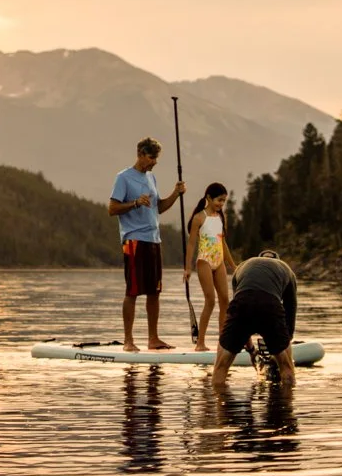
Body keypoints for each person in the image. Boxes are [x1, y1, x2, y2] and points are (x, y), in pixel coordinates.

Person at [108, 136, 186, 352]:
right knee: (133, 290)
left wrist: (176, 194)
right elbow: (112, 209)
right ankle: (128, 341)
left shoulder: (152, 178)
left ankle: (153, 339)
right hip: (134, 240)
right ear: (141, 154)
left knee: (154, 291)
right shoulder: (123, 178)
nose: (154, 162)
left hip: (154, 240)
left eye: (156, 158)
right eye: (152, 157)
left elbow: (158, 208)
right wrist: (134, 203)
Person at [211, 249, 297, 387]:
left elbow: (240, 308)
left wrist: (251, 351)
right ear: (278, 260)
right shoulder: (286, 270)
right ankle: (286, 403)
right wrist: (283, 346)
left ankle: (218, 400)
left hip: (242, 303)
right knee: (286, 366)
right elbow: (290, 312)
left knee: (221, 366)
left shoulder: (242, 267)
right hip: (270, 305)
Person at [183, 182, 237, 352]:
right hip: (204, 261)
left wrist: (233, 265)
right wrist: (187, 268)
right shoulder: (199, 218)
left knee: (225, 301)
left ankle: (224, 341)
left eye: (224, 201)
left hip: (218, 261)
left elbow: (223, 243)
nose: (221, 204)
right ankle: (200, 343)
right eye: (219, 200)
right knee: (210, 301)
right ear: (208, 198)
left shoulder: (221, 217)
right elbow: (191, 244)